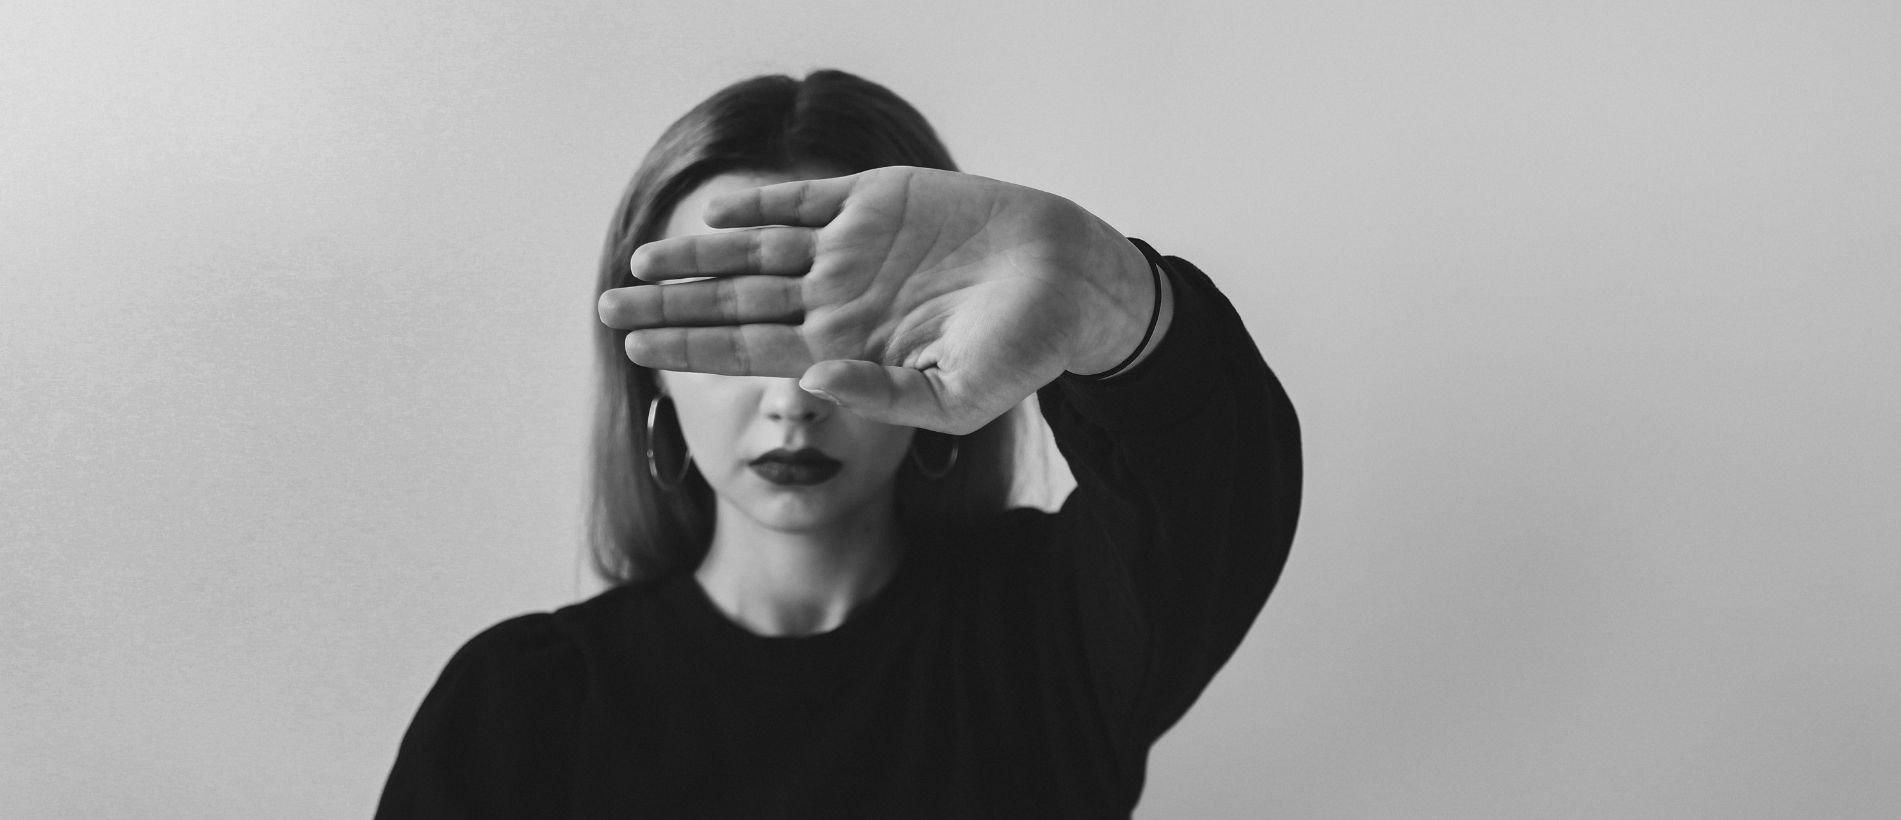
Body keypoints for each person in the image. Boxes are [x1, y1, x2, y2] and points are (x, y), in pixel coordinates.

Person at [375, 69, 1302, 818]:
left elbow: (1213, 482)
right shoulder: (522, 710)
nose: (794, 398)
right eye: (747, 333)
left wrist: (1103, 291)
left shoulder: (1049, 636)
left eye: (841, 331)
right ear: (648, 368)